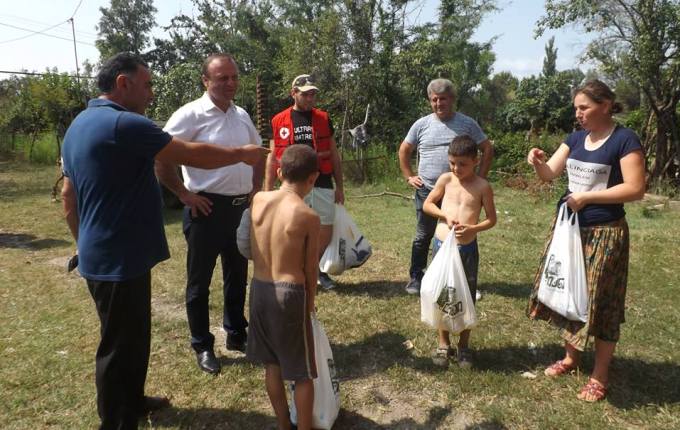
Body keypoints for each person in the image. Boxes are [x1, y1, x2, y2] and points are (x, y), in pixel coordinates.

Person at [61, 52, 267, 429]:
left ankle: (134, 400)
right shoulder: (124, 124)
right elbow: (188, 154)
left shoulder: (80, 124)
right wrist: (241, 154)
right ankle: (117, 421)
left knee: (133, 336)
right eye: (148, 84)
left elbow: (67, 196)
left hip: (107, 253)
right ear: (123, 84)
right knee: (118, 345)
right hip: (119, 256)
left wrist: (84, 243)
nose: (152, 93)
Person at [526, 79, 645, 402]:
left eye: (584, 107)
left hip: (605, 234)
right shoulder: (575, 138)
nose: (578, 114)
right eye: (576, 108)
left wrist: (588, 198)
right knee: (568, 292)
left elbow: (635, 188)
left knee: (601, 302)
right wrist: (538, 162)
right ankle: (571, 357)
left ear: (605, 105)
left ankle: (600, 375)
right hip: (569, 230)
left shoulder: (624, 139)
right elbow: (550, 173)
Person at [155, 54, 264, 375]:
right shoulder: (190, 115)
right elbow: (161, 156)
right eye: (222, 78)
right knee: (199, 282)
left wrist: (256, 190)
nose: (230, 83)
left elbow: (257, 155)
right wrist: (183, 193)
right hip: (206, 209)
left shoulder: (241, 114)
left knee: (237, 275)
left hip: (239, 209)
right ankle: (202, 345)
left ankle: (236, 333)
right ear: (206, 81)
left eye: (234, 77)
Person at [247, 144, 320, 430]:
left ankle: (282, 424)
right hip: (289, 294)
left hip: (259, 288)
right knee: (302, 373)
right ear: (312, 178)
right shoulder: (307, 215)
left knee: (272, 364)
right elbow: (310, 268)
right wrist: (310, 302)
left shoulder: (259, 199)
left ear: (279, 172)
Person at [399, 78, 494, 299]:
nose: (439, 103)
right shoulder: (421, 124)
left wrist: (480, 178)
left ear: (452, 99)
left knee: (463, 234)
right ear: (429, 101)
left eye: (443, 99)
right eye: (434, 99)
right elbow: (404, 150)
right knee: (424, 235)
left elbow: (486, 148)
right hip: (428, 189)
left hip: (461, 191)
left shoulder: (468, 124)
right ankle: (417, 276)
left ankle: (462, 280)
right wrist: (409, 176)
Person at [422, 135, 496, 368]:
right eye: (452, 163)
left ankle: (464, 346)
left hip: (466, 249)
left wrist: (473, 228)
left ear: (475, 161)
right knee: (442, 293)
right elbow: (428, 204)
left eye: (462, 164)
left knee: (466, 293)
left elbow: (491, 220)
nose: (456, 168)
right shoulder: (445, 180)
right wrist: (445, 215)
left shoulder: (482, 186)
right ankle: (444, 344)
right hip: (442, 246)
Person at [265, 74, 344, 290]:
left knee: (325, 228)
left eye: (313, 94)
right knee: (291, 227)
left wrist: (340, 187)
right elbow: (273, 156)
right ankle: (294, 269)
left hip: (321, 179)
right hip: (291, 183)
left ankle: (316, 269)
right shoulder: (278, 120)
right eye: (305, 94)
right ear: (294, 94)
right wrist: (267, 188)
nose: (310, 98)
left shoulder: (324, 118)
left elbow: (334, 154)